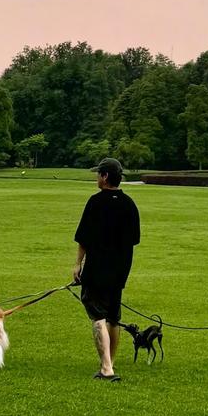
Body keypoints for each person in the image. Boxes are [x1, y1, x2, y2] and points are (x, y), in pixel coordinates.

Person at [73, 157, 140, 381]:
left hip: (97, 269)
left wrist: (77, 264)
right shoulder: (129, 204)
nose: (96, 178)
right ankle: (110, 361)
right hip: (120, 270)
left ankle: (106, 368)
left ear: (104, 176)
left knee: (98, 316)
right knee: (113, 317)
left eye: (98, 174)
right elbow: (133, 240)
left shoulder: (95, 203)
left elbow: (84, 238)